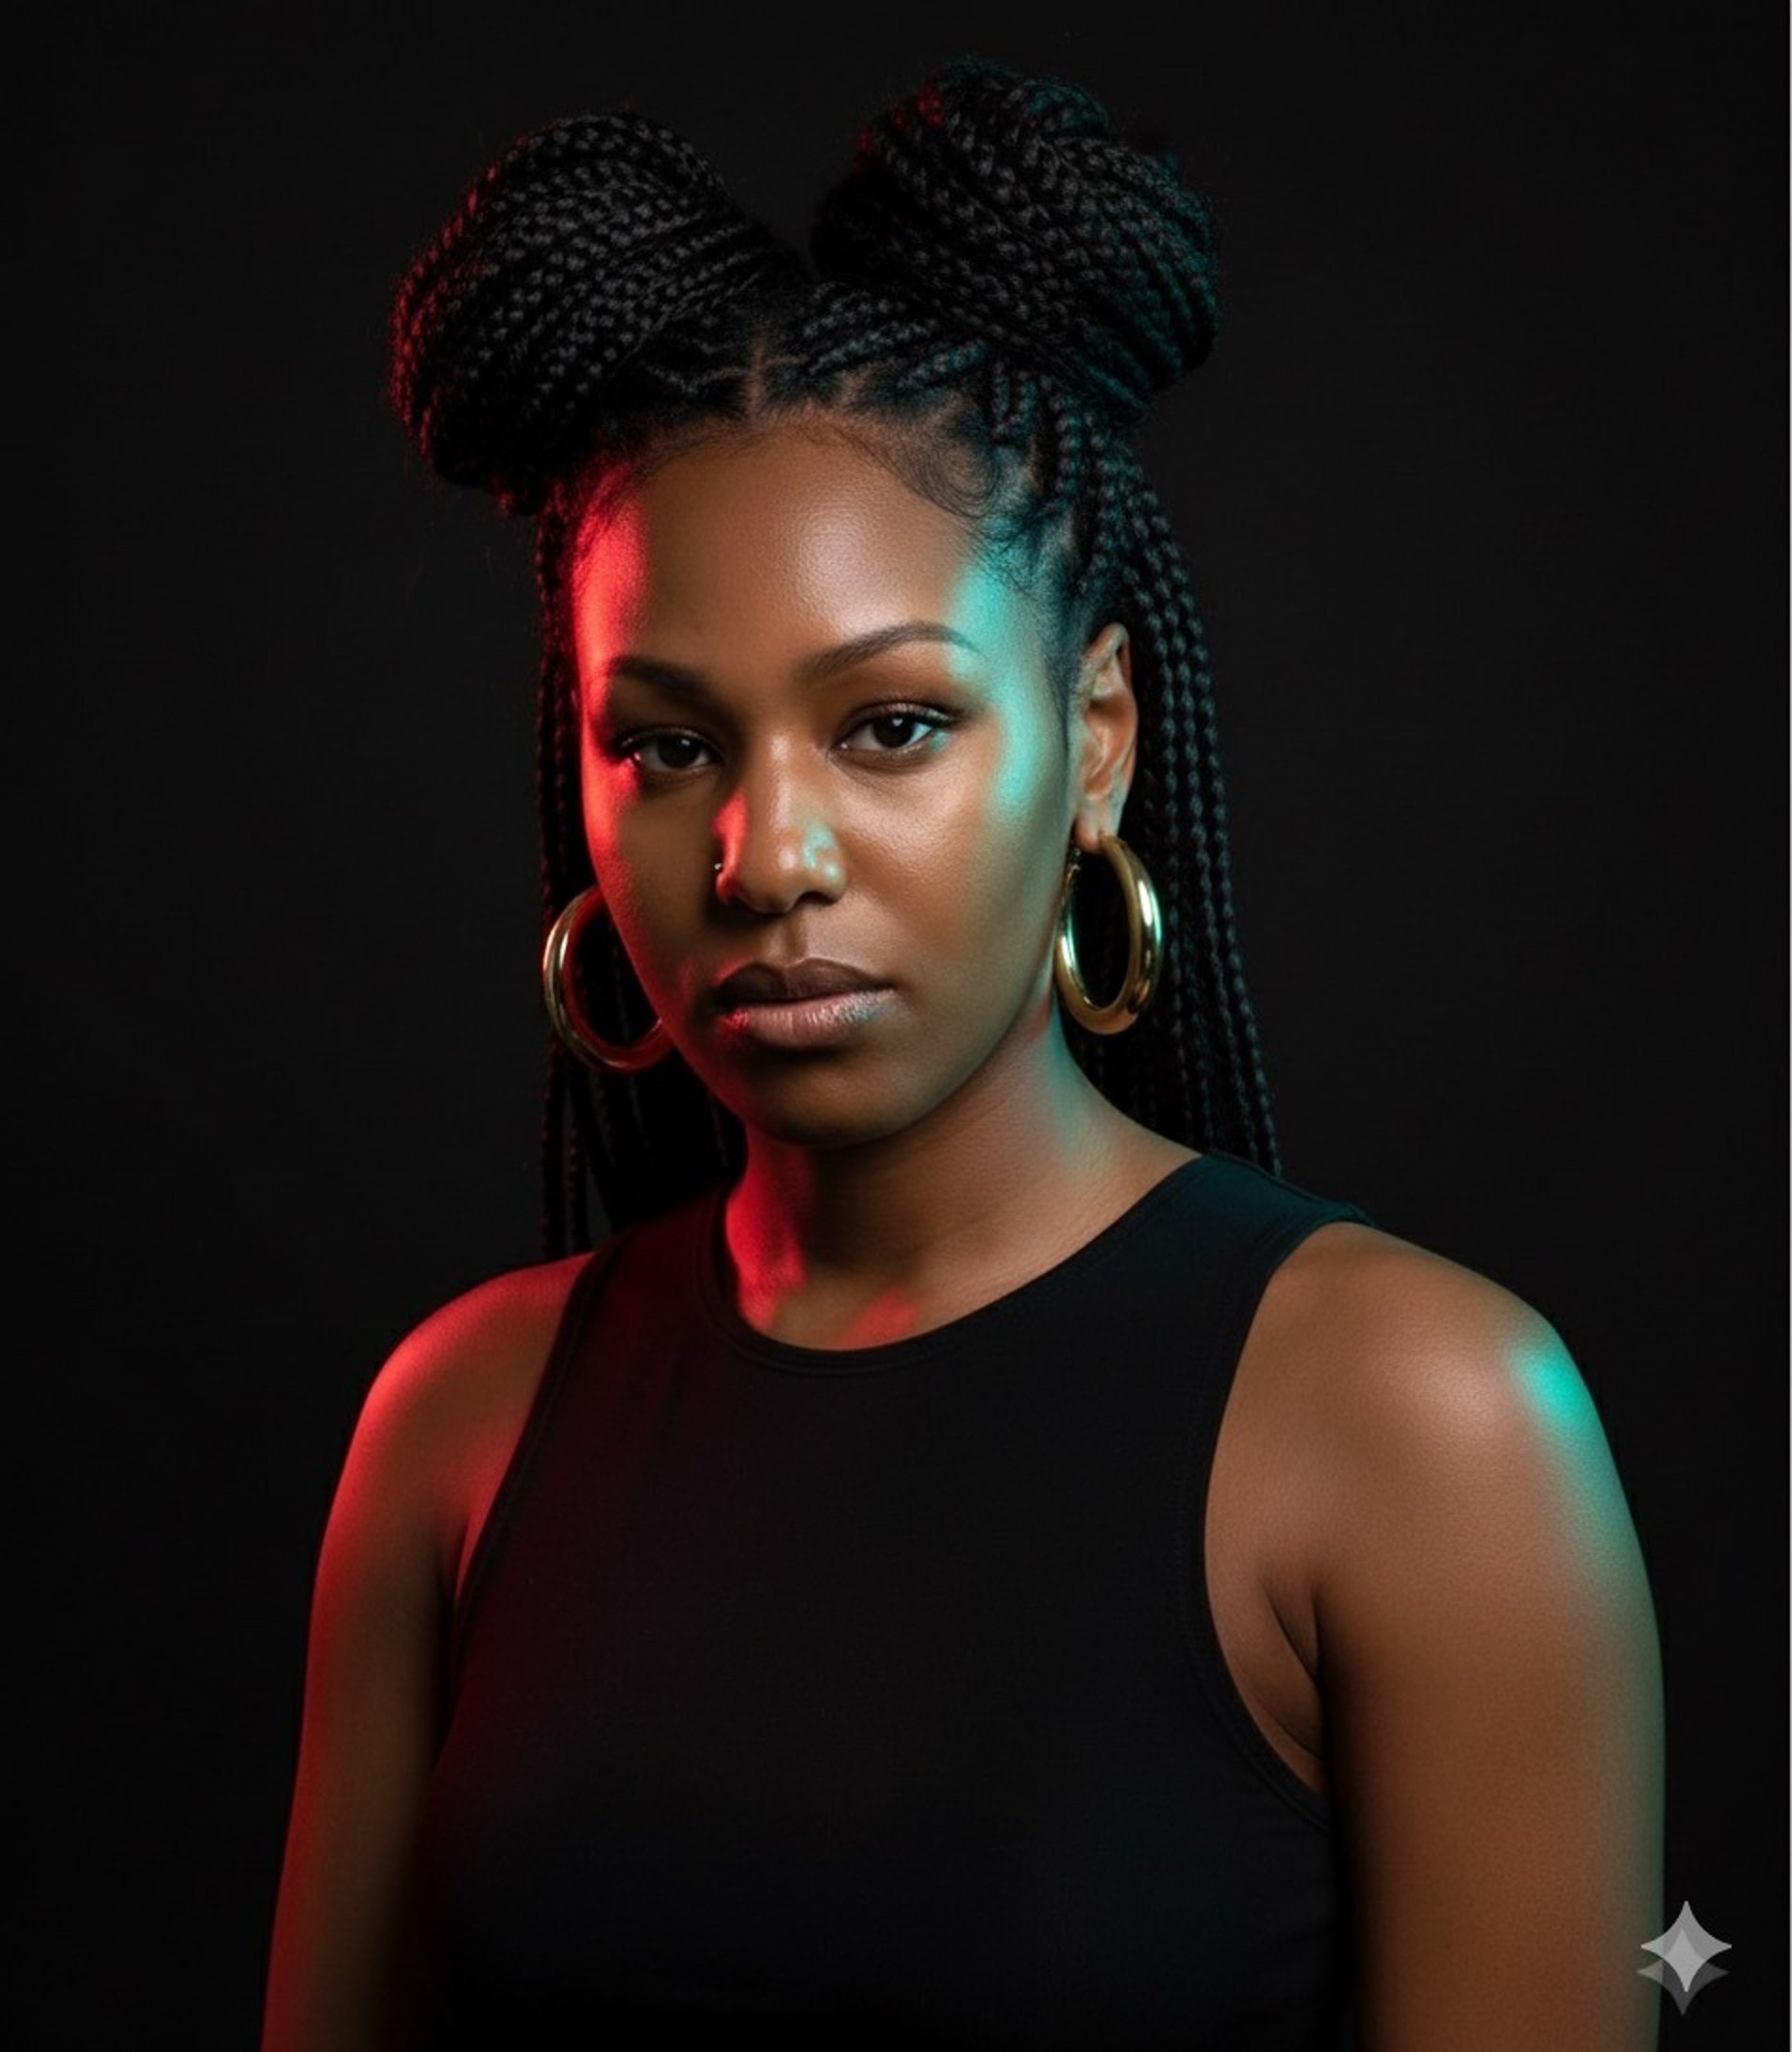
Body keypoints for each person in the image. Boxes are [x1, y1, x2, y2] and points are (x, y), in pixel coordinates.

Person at [261, 57, 1665, 2051]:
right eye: (664, 744)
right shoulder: (461, 1423)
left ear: (1095, 739)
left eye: (892, 724)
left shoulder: (1423, 1421)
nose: (766, 856)